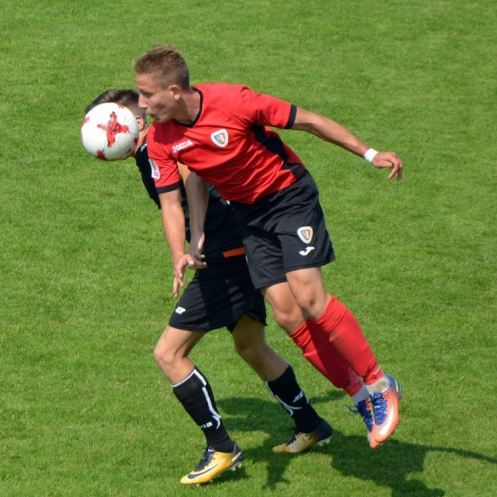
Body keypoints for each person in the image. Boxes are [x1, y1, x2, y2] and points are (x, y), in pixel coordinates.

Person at [134, 46, 404, 449]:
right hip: (249, 216)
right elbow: (180, 194)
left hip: (288, 197)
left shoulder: (233, 101)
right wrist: (184, 246)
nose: (140, 105)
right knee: (288, 315)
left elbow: (309, 121)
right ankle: (360, 395)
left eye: (146, 94)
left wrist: (370, 154)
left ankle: (380, 384)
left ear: (174, 91)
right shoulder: (162, 137)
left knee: (310, 299)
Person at [85, 89, 335, 485]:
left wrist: (193, 242)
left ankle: (221, 447)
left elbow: (193, 175)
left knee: (168, 354)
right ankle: (311, 423)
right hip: (237, 245)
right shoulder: (154, 147)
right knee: (250, 345)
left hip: (225, 256)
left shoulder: (158, 148)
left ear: (131, 121)